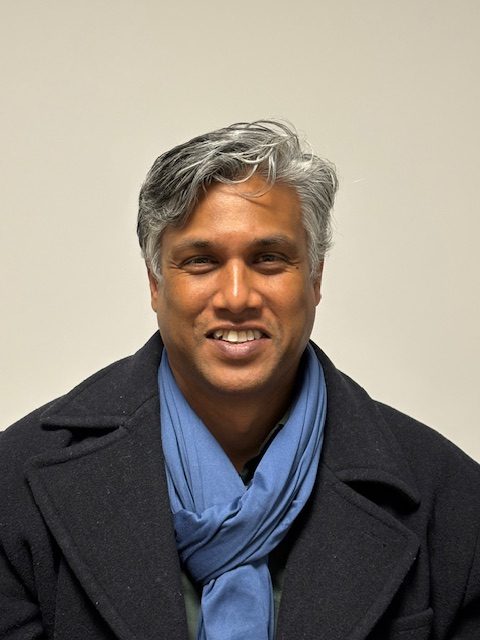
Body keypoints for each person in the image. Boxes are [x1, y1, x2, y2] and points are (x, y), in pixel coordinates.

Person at [1, 121, 479, 640]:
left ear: (316, 278)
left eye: (269, 259)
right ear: (155, 284)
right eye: (200, 261)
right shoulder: (13, 489)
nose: (236, 297)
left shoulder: (455, 502)